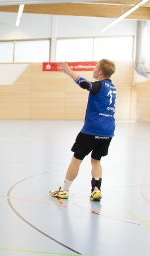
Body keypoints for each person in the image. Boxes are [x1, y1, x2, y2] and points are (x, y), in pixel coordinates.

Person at [49, 60, 117, 201]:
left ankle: (64, 190)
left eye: (96, 67)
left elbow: (85, 84)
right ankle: (96, 190)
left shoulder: (99, 85)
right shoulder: (113, 87)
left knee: (76, 159)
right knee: (96, 160)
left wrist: (69, 71)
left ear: (100, 72)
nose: (94, 69)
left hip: (92, 130)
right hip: (108, 131)